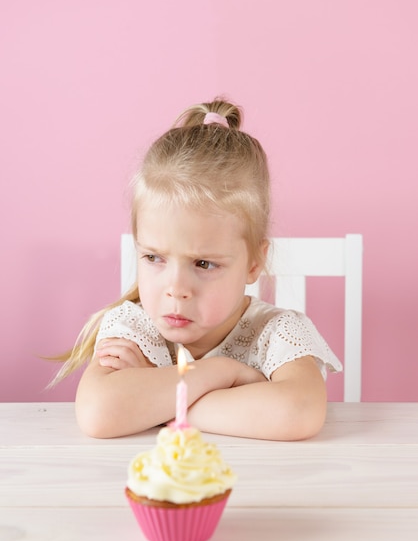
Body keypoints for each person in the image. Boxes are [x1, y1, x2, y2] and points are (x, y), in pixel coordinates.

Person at [52, 98, 342, 440]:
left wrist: (157, 406)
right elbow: (100, 414)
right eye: (154, 258)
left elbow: (298, 413)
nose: (175, 289)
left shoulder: (275, 331)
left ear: (253, 263)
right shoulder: (134, 325)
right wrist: (222, 372)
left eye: (204, 263)